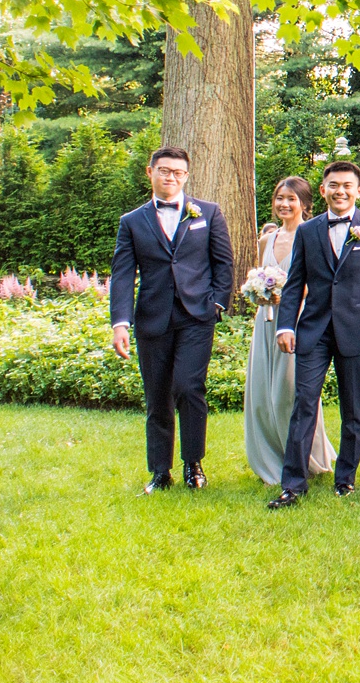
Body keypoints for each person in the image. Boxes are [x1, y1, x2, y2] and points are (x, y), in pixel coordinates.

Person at [266, 161, 360, 508]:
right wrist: (285, 324)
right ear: (323, 190)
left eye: (347, 186)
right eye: (334, 185)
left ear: (358, 191)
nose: (341, 191)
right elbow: (294, 283)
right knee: (304, 403)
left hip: (357, 332)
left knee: (353, 407)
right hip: (314, 330)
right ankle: (293, 484)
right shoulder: (308, 232)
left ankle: (346, 478)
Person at [109, 146, 234, 494]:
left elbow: (223, 263)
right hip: (152, 318)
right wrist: (120, 323)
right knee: (158, 396)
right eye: (164, 171)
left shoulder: (207, 213)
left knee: (189, 387)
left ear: (186, 176)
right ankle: (160, 471)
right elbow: (122, 274)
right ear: (150, 173)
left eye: (178, 173)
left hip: (197, 316)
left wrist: (217, 304)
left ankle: (193, 464)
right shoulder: (132, 222)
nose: (171, 178)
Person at [243, 177, 337, 485]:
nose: (284, 204)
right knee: (262, 392)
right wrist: (257, 292)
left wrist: (291, 297)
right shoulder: (266, 240)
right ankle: (268, 455)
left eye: (291, 199)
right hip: (266, 321)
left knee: (291, 391)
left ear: (305, 205)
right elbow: (259, 274)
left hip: (297, 320)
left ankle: (305, 456)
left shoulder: (311, 235)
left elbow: (319, 283)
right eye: (279, 198)